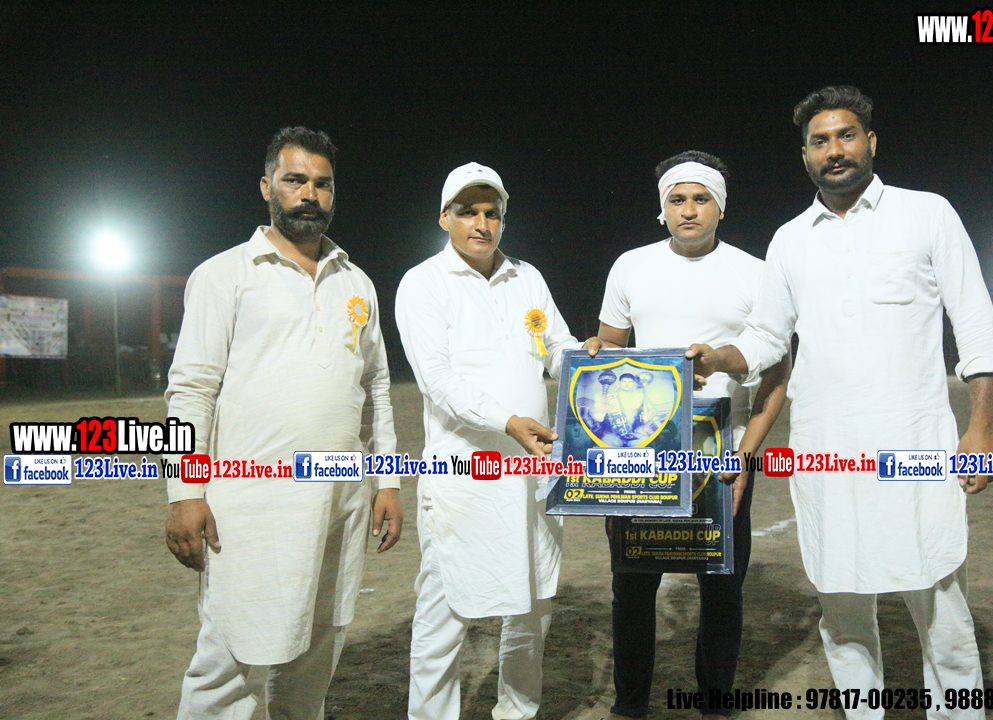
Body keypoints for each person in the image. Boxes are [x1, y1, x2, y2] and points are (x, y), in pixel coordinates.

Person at [689, 87, 993, 720]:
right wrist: (721, 357)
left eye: (846, 135)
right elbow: (767, 337)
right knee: (841, 606)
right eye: (819, 141)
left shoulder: (928, 214)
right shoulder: (789, 240)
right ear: (805, 155)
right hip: (825, 451)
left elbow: (975, 323)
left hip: (916, 445)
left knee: (940, 603)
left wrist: (982, 427)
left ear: (871, 142)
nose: (834, 150)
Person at [164, 126, 403, 719]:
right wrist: (184, 492)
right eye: (295, 180)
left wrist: (388, 481)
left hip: (340, 498)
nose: (309, 194)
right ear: (267, 186)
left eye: (322, 183)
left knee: (318, 648)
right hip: (250, 505)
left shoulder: (356, 281)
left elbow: (376, 386)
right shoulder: (224, 274)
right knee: (229, 658)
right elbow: (191, 389)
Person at [396, 162, 599, 720]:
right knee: (444, 610)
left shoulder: (526, 278)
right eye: (468, 212)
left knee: (533, 605)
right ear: (445, 218)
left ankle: (517, 710)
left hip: (534, 474)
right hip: (465, 478)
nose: (481, 224)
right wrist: (507, 421)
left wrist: (588, 358)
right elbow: (436, 381)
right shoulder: (423, 283)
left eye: (492, 213)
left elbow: (555, 349)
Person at [597, 151, 790, 719]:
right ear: (662, 209)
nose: (688, 209)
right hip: (642, 455)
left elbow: (776, 377)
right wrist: (605, 465)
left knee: (722, 587)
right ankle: (630, 706)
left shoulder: (756, 274)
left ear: (720, 208)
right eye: (677, 199)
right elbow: (606, 356)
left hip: (722, 454)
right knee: (633, 586)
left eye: (701, 199)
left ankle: (715, 705)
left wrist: (746, 457)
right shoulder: (630, 266)